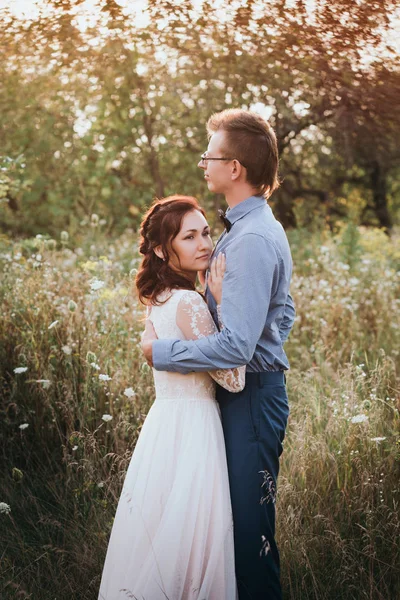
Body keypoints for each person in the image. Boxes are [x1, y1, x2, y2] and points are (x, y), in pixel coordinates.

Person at [142, 109, 295, 600]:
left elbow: (236, 347)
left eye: (210, 153)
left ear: (235, 169)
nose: (203, 162)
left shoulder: (249, 238)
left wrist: (160, 351)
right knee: (231, 534)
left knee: (251, 540)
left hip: (250, 395)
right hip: (251, 393)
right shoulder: (250, 229)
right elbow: (282, 311)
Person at [98, 195, 246, 600]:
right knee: (193, 539)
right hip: (195, 430)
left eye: (206, 232)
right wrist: (223, 302)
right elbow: (233, 379)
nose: (204, 244)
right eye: (189, 237)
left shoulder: (157, 300)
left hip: (163, 427)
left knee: (160, 529)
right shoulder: (189, 301)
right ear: (164, 250)